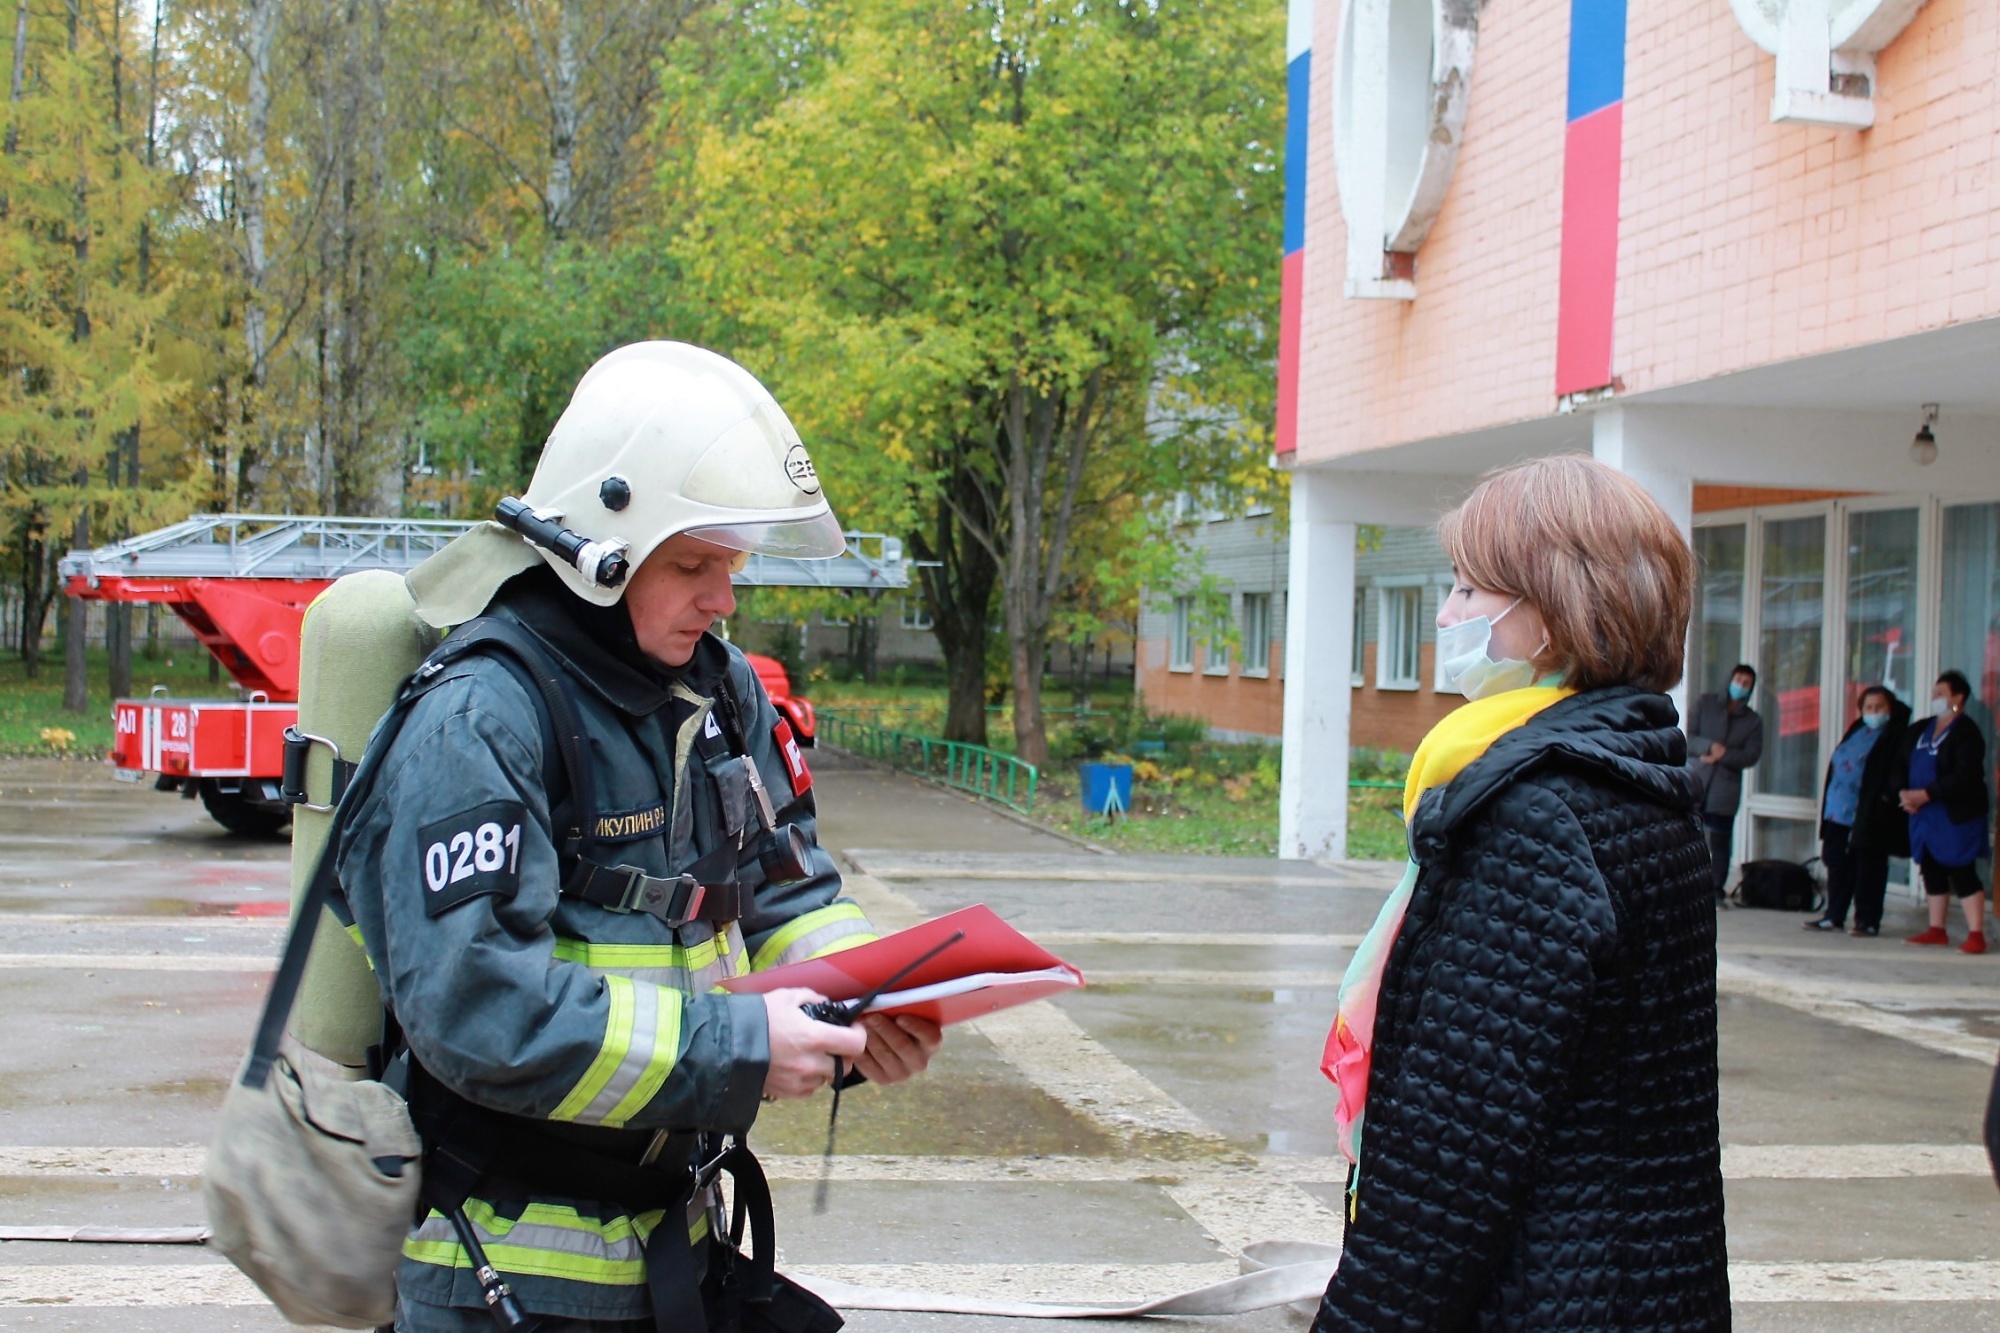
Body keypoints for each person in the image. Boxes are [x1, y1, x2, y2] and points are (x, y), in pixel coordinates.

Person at [337, 342, 944, 1331]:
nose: (725, 598)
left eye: (732, 563)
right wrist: (737, 1047)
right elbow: (476, 1007)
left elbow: (783, 887)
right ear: (594, 553)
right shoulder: (481, 718)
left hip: (670, 1243)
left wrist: (865, 999)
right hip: (503, 1273)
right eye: (692, 564)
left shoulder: (719, 691)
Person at [1315, 456, 1728, 1330]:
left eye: (1469, 592)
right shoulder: (1648, 785)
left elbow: (1452, 1152)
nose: (1446, 616)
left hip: (1537, 1291)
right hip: (1647, 1283)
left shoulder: (1535, 815)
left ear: (1552, 613)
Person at [1899, 669, 1992, 955]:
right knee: (1931, 868)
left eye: (1941, 693)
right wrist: (1905, 794)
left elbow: (1965, 775)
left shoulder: (1967, 731)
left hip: (1954, 814)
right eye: (1934, 693)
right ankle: (1936, 929)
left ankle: (1976, 933)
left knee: (1961, 870)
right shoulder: (1922, 728)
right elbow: (1901, 761)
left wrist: (1927, 794)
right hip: (1924, 814)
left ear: (1958, 697)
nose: (1934, 698)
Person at [1805, 685, 1910, 936]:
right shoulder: (1857, 729)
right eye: (1869, 707)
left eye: (1879, 707)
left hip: (1869, 813)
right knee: (1837, 863)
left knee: (1869, 867)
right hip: (1838, 811)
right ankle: (1834, 915)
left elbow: (1895, 771)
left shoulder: (1894, 735)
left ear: (1890, 709)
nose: (1873, 712)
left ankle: (1867, 920)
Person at [1687, 663, 1764, 899]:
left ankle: (1716, 887)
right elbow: (1687, 736)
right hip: (1698, 779)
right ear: (1729, 679)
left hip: (1725, 787)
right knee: (1689, 836)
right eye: (1738, 680)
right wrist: (1709, 747)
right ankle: (1688, 882)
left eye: (1746, 683)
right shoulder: (1705, 703)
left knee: (1720, 839)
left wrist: (1724, 754)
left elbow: (1751, 755)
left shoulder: (1752, 721)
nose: (1740, 686)